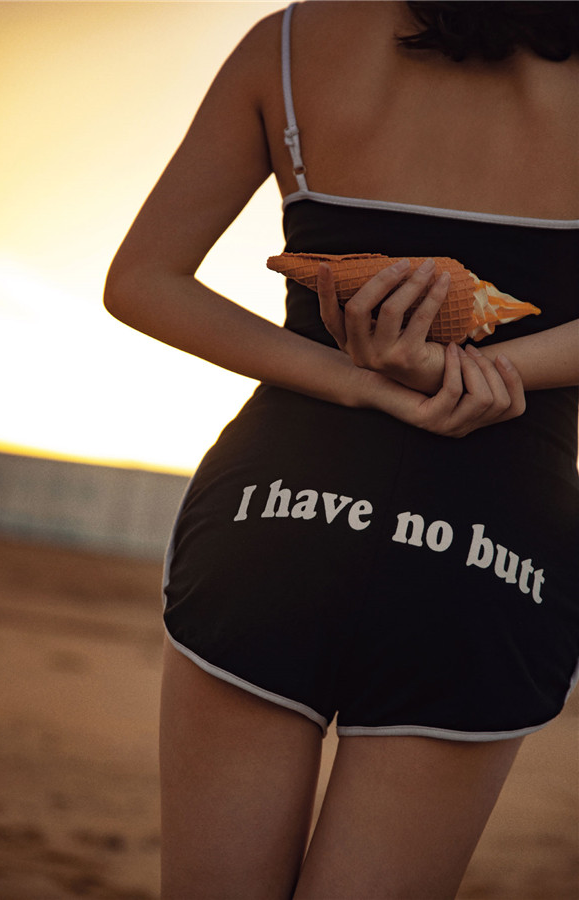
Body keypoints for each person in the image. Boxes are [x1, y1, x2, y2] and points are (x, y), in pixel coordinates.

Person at [104, 2, 579, 896]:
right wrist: (485, 371)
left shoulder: (288, 46)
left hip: (276, 518)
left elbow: (142, 281)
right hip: (491, 552)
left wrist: (359, 381)